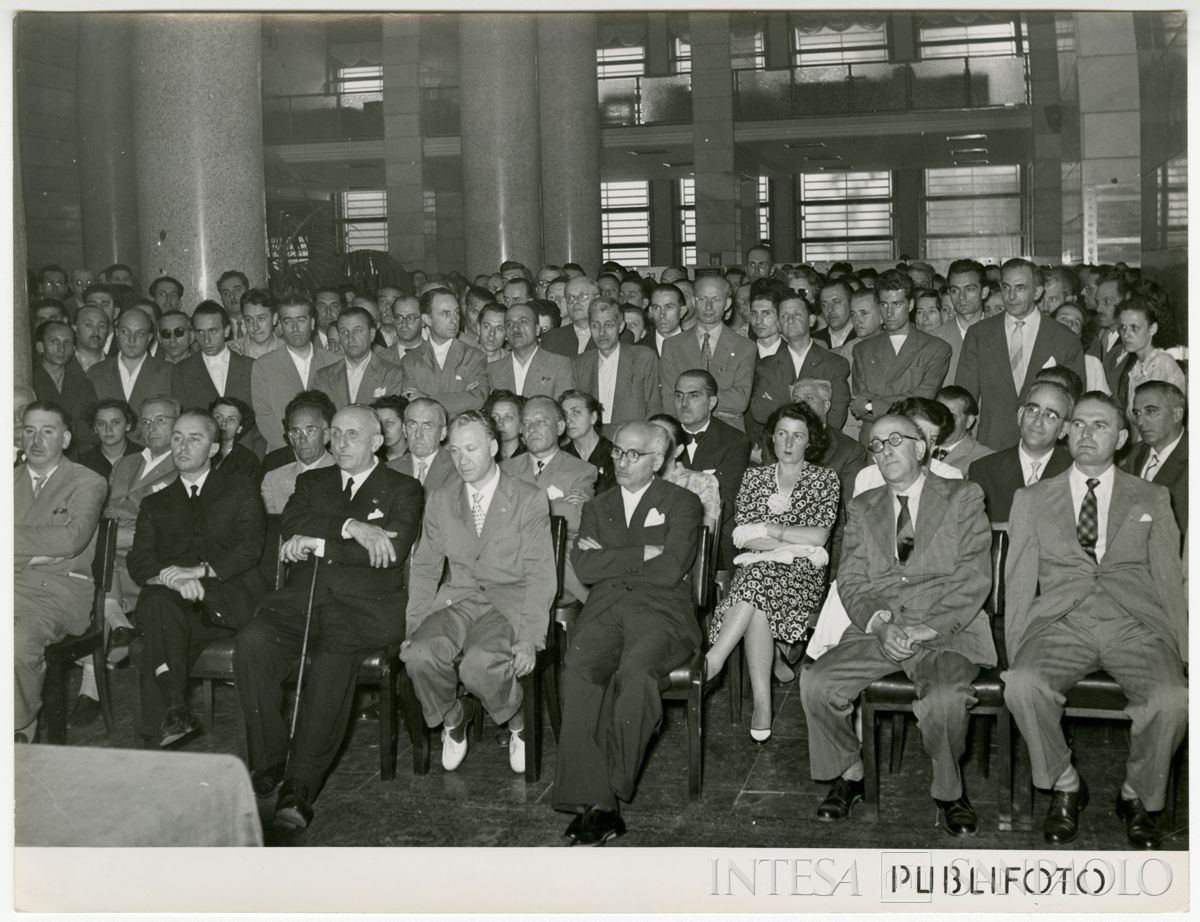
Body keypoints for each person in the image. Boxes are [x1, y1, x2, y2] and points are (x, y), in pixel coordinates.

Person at [1004, 393, 1187, 849]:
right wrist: (1016, 651)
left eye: (1100, 425)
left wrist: (1187, 651)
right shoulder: (1031, 499)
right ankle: (1065, 783)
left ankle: (1136, 794)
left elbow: (1169, 579)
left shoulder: (1152, 496)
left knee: (1172, 699)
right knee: (1023, 685)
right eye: (1079, 423)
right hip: (1062, 622)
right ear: (1066, 431)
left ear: (1122, 438)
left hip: (1135, 622)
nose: (1086, 433)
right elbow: (1020, 581)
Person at [801, 414, 995, 836]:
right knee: (817, 684)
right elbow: (850, 579)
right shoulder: (862, 506)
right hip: (882, 625)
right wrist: (877, 623)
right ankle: (851, 772)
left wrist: (931, 628)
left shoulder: (963, 495)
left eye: (895, 440)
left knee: (944, 699)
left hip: (946, 630)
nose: (885, 450)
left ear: (921, 447)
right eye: (876, 444)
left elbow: (975, 575)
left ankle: (949, 792)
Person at [235, 404, 423, 828]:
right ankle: (268, 761)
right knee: (253, 640)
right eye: (335, 434)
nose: (339, 442)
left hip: (363, 608)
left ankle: (299, 786)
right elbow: (291, 522)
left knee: (331, 658)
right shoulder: (311, 480)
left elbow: (388, 555)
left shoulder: (404, 488)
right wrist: (351, 526)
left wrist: (316, 543)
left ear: (377, 441)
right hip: (303, 599)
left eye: (351, 435)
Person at [552, 421, 703, 846]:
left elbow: (673, 567)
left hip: (662, 614)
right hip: (605, 610)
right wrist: (642, 553)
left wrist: (614, 558)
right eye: (618, 451)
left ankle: (605, 793)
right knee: (579, 671)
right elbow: (584, 567)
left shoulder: (682, 503)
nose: (621, 461)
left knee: (636, 674)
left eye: (634, 454)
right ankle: (601, 805)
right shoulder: (599, 506)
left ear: (657, 460)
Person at [401, 411, 556, 776]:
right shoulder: (440, 499)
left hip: (507, 604)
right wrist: (414, 628)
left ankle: (516, 718)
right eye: (454, 450)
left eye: (470, 449)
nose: (461, 460)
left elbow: (540, 574)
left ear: (493, 446)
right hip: (459, 599)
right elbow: (424, 568)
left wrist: (530, 639)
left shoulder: (528, 498)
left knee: (479, 664)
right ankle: (455, 716)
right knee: (419, 656)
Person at [127, 409, 268, 748]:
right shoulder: (155, 502)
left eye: (195, 438)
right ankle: (175, 710)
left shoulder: (241, 489)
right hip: (174, 602)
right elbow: (139, 559)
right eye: (177, 438)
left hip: (225, 600)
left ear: (215, 448)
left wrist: (199, 572)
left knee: (159, 632)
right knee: (160, 603)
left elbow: (250, 549)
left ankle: (160, 732)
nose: (183, 446)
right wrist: (171, 579)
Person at [706, 402, 839, 739]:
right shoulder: (754, 477)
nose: (789, 442)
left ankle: (716, 659)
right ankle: (763, 702)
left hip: (803, 575)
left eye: (798, 435)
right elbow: (743, 537)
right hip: (762, 569)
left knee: (754, 580)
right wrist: (793, 539)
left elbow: (820, 536)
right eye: (782, 434)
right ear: (773, 438)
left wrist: (769, 530)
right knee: (759, 587)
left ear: (810, 441)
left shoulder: (825, 478)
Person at [14, 402, 107, 742]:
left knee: (15, 643)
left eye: (47, 431)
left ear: (65, 438)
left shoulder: (87, 482)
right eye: (29, 430)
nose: (36, 440)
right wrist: (34, 554)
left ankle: (19, 728)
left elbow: (71, 540)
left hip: (59, 593)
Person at [955, 258, 1085, 450]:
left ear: (1038, 292)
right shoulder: (979, 334)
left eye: (1020, 288)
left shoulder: (1064, 338)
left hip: (1046, 447)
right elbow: (963, 399)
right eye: (1006, 287)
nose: (1011, 296)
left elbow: (1075, 404)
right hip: (990, 446)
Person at [502, 395, 598, 604]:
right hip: (510, 562)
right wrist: (558, 505)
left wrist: (515, 509)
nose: (532, 428)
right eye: (526, 423)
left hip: (557, 566)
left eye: (541, 421)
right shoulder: (504, 470)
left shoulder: (581, 470)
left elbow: (576, 518)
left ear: (561, 427)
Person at [849, 269, 952, 447]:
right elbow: (859, 404)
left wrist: (872, 405)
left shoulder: (936, 348)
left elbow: (922, 401)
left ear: (910, 305)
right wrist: (869, 406)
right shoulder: (862, 350)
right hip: (873, 442)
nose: (889, 312)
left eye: (896, 304)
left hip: (912, 440)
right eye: (884, 304)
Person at [671, 369, 751, 572]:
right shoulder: (661, 436)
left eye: (693, 396)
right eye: (679, 395)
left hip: (712, 538)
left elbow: (725, 500)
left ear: (712, 402)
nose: (684, 403)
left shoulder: (734, 441)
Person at [748, 293, 851, 444]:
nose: (790, 320)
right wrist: (810, 405)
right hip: (777, 447)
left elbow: (835, 417)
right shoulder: (766, 366)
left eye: (796, 315)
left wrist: (779, 403)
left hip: (820, 446)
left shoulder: (835, 364)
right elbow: (759, 411)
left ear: (811, 320)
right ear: (778, 324)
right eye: (784, 316)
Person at [968, 381, 1074, 526]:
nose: (1038, 422)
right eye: (1032, 410)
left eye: (1050, 415)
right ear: (1020, 415)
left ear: (1064, 429)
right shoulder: (984, 470)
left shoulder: (1077, 474)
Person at [659, 275, 755, 432]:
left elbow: (740, 401)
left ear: (727, 304)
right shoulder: (672, 346)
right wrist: (716, 404)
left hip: (729, 434)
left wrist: (687, 400)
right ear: (694, 302)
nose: (708, 307)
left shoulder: (745, 347)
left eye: (716, 299)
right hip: (685, 432)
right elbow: (669, 401)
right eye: (703, 299)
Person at [251, 294, 340, 452]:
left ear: (312, 323)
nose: (295, 328)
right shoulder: (263, 366)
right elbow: (265, 417)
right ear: (280, 326)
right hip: (284, 453)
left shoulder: (334, 362)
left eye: (301, 320)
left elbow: (340, 410)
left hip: (329, 454)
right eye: (288, 321)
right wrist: (293, 448)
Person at [572, 299, 661, 426]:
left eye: (609, 325)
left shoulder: (643, 358)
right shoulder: (579, 363)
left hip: (633, 438)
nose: (602, 332)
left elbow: (654, 407)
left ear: (621, 326)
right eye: (595, 325)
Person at [399, 288, 489, 413]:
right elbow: (410, 403)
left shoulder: (474, 356)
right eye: (445, 314)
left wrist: (428, 398)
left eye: (456, 313)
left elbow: (478, 399)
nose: (454, 320)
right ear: (427, 319)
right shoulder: (410, 360)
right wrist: (461, 396)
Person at [1123, 381, 1187, 542]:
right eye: (1137, 413)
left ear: (1177, 414)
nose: (1140, 422)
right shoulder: (1135, 453)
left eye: (1151, 411)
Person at [312, 306, 405, 410]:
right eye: (344, 332)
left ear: (372, 334)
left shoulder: (392, 374)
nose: (350, 338)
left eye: (357, 330)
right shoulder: (323, 377)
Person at [260, 391, 337, 515]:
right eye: (296, 432)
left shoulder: (345, 474)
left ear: (326, 435)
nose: (302, 439)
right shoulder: (273, 479)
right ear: (290, 439)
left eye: (310, 430)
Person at [171, 301, 255, 410]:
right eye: (200, 332)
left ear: (226, 331)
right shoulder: (182, 371)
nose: (206, 340)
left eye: (213, 331)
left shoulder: (250, 367)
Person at [87, 306, 172, 413]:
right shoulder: (96, 373)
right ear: (117, 333)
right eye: (125, 332)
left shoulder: (168, 372)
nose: (132, 339)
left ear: (149, 338)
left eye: (140, 333)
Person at [32, 320, 99, 455]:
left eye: (67, 343)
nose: (61, 348)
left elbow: (94, 429)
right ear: (40, 347)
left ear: (74, 349)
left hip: (79, 457)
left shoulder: (83, 384)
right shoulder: (30, 381)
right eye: (54, 342)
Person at [647, 415, 721, 531]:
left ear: (678, 450)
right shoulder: (632, 479)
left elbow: (704, 535)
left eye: (660, 442)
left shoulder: (701, 482)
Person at [487, 303, 574, 399]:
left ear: (537, 329)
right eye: (509, 324)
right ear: (506, 334)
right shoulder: (492, 370)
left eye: (523, 322)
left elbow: (564, 408)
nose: (515, 328)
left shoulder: (559, 365)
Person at [1117, 297, 1186, 417]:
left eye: (1134, 328)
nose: (1126, 335)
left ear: (1152, 329)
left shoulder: (1163, 364)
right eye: (1123, 327)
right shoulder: (1135, 369)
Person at [389, 396, 458, 492]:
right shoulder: (389, 470)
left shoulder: (458, 467)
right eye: (412, 425)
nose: (418, 434)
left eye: (427, 426)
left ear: (443, 432)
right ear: (404, 430)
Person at [561, 389, 616, 494]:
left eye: (576, 412)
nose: (568, 420)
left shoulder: (613, 454)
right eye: (564, 415)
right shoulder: (561, 456)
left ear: (593, 417)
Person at [1052, 302, 1110, 394]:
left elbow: (1102, 401)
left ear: (1081, 335)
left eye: (1076, 322)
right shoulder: (1036, 355)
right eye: (1063, 318)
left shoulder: (1092, 364)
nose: (1069, 323)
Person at [934, 386, 994, 474]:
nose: (942, 422)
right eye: (937, 413)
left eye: (951, 417)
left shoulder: (985, 459)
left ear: (969, 421)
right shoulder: (918, 445)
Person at [77, 398, 140, 479]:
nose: (108, 429)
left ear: (128, 425)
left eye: (115, 422)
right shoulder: (83, 463)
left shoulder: (145, 457)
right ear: (95, 428)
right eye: (101, 424)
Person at [210, 397, 263, 482]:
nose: (223, 423)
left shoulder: (248, 460)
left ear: (239, 428)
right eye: (218, 417)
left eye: (231, 420)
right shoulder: (197, 450)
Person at [230, 289, 282, 359]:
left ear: (274, 318)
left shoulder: (290, 352)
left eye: (261, 319)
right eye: (249, 320)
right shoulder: (230, 352)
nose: (255, 327)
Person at [377, 294, 426, 366]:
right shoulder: (379, 360)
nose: (404, 324)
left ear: (423, 321)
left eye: (411, 318)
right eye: (398, 317)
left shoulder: (437, 356)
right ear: (393, 320)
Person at [812, 279, 856, 350]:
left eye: (836, 302)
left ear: (851, 303)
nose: (829, 309)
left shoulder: (864, 335)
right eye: (824, 304)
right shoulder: (813, 341)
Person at [647, 283, 687, 357]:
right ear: (651, 311)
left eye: (669, 307)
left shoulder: (697, 347)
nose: (662, 315)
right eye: (656, 308)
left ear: (682, 311)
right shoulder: (638, 349)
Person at [485, 389, 524, 461]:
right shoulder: (485, 459)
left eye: (508, 417)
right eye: (495, 417)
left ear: (521, 426)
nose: (500, 423)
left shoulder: (531, 459)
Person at [370, 394, 409, 464]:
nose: (384, 430)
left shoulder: (416, 454)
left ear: (404, 424)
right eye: (380, 423)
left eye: (389, 423)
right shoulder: (375, 460)